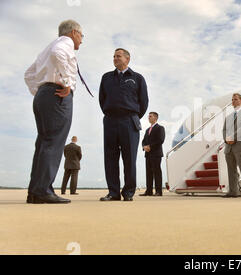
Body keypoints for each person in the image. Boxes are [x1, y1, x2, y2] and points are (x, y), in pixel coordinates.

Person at [24, 19, 86, 204]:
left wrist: (40, 91)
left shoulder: (47, 48)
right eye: (82, 36)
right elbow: (58, 54)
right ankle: (43, 190)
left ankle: (35, 191)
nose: (82, 40)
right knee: (53, 143)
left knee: (44, 144)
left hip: (44, 95)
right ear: (74, 32)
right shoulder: (63, 44)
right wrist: (66, 83)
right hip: (57, 96)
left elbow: (28, 74)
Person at [99, 48, 149, 202]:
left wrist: (132, 115)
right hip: (110, 121)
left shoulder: (137, 78)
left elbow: (144, 102)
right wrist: (111, 112)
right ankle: (113, 192)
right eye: (114, 56)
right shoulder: (106, 77)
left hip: (129, 121)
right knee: (110, 158)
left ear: (127, 59)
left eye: (118, 56)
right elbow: (102, 99)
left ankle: (128, 192)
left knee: (129, 158)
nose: (115, 58)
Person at [140, 112, 165, 196]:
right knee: (148, 173)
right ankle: (149, 191)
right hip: (148, 154)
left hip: (156, 154)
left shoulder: (160, 128)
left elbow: (160, 140)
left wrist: (150, 146)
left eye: (150, 116)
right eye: (148, 116)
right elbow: (143, 141)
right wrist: (144, 147)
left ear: (155, 118)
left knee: (157, 172)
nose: (148, 118)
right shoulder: (147, 130)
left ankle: (158, 191)